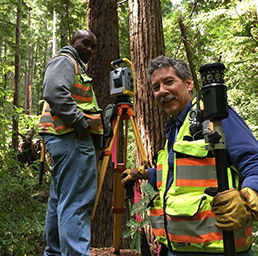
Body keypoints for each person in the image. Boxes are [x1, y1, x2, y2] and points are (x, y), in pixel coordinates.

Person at [121, 55, 258, 256]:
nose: (163, 91)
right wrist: (146, 174)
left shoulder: (213, 118)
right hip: (176, 248)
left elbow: (253, 161)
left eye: (169, 82)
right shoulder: (176, 128)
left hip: (219, 249)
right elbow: (182, 176)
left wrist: (248, 198)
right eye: (156, 87)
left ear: (188, 84)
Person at [38, 29, 103, 256]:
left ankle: (54, 252)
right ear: (72, 41)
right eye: (86, 43)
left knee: (60, 200)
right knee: (77, 201)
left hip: (64, 138)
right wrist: (82, 126)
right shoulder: (66, 60)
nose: (89, 50)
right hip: (70, 137)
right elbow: (55, 91)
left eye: (93, 47)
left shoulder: (73, 65)